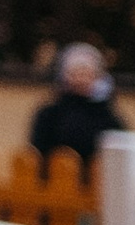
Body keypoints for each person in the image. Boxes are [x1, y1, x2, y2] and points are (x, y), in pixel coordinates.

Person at [32, 38, 122, 173]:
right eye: (75, 72)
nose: (81, 78)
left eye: (86, 72)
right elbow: (37, 152)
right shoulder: (49, 114)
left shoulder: (108, 117)